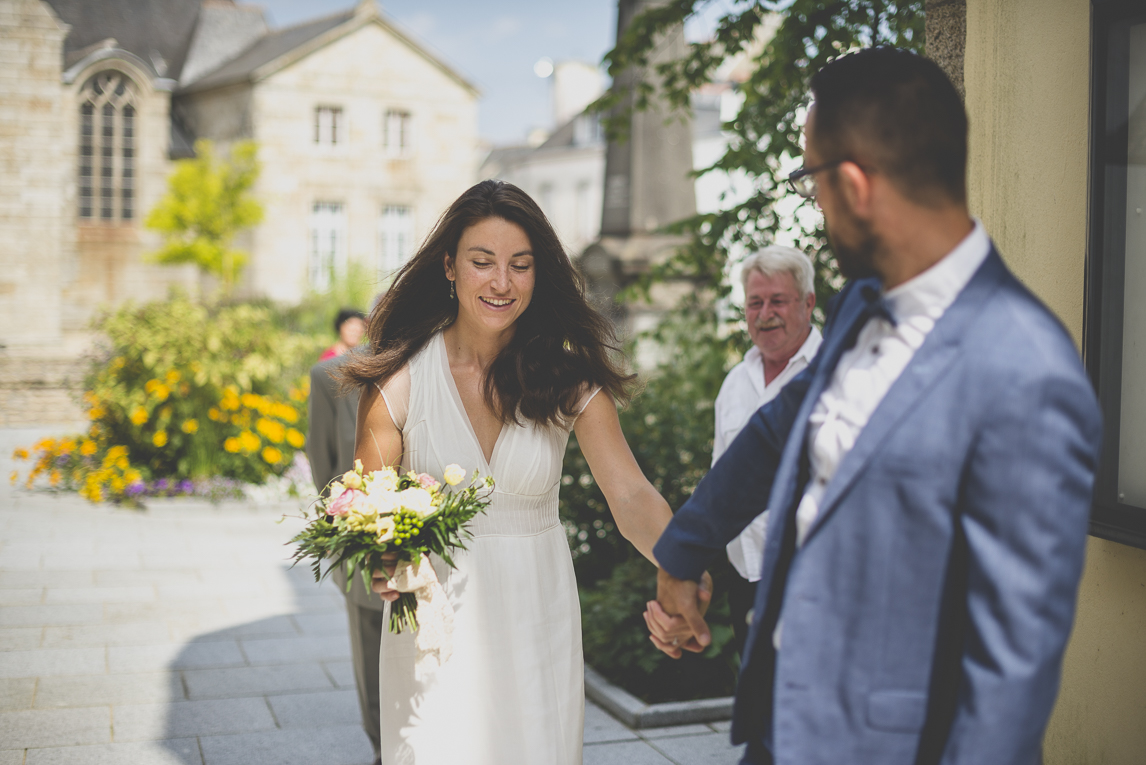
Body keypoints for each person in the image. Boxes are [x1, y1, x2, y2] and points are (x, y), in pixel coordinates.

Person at [645, 47, 1102, 765]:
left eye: (811, 182)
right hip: (779, 730)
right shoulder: (862, 305)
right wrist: (682, 553)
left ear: (854, 186)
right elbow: (773, 436)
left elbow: (1009, 669)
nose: (814, 206)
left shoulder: (1023, 367)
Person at [339, 179, 687, 765]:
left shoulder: (568, 382)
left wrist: (686, 568)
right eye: (483, 262)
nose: (501, 282)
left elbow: (631, 496)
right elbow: (364, 509)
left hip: (536, 620)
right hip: (432, 629)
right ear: (449, 267)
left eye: (520, 266)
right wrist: (383, 555)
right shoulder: (398, 384)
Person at [716, 246, 821, 655]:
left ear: (808, 303)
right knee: (759, 705)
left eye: (778, 300)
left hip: (810, 578)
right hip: (746, 579)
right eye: (755, 302)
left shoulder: (835, 375)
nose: (765, 313)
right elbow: (720, 483)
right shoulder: (735, 384)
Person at [305, 355, 383, 765]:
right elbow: (322, 456)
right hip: (363, 533)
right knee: (371, 642)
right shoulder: (330, 375)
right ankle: (384, 749)